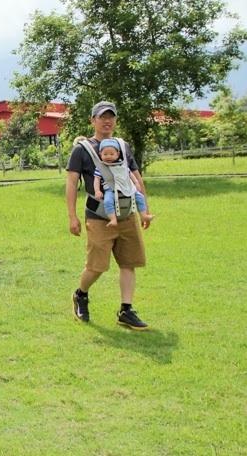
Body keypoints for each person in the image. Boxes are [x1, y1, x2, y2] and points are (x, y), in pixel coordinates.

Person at [66, 101, 151, 330]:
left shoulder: (122, 147)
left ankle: (126, 310)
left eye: (111, 116)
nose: (107, 120)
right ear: (93, 120)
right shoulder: (82, 149)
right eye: (102, 116)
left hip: (127, 213)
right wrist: (72, 217)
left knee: (129, 263)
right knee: (97, 266)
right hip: (98, 216)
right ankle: (81, 294)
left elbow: (135, 176)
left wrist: (146, 210)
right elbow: (72, 183)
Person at [93, 138, 155, 228]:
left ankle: (144, 215)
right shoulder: (100, 167)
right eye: (105, 154)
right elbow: (97, 180)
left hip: (127, 186)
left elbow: (130, 174)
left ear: (117, 154)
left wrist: (136, 184)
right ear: (100, 154)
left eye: (111, 154)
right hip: (110, 189)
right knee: (107, 201)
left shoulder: (122, 164)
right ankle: (113, 219)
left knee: (140, 197)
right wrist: (97, 191)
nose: (108, 156)